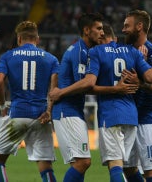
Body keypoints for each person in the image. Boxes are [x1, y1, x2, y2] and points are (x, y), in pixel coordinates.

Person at [49, 25, 152, 182]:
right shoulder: (132, 51)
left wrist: (61, 92)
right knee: (129, 166)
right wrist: (139, 77)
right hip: (131, 116)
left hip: (110, 114)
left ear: (100, 38)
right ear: (115, 38)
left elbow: (89, 83)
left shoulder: (96, 51)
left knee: (115, 165)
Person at [0, 21, 59, 182]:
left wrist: (2, 106)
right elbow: (54, 90)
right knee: (45, 166)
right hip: (41, 116)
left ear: (19, 38)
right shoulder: (51, 59)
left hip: (18, 115)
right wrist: (49, 111)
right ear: (37, 38)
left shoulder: (8, 56)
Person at [51, 12, 104, 182]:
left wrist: (57, 92)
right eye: (99, 28)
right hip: (67, 111)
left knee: (78, 163)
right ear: (87, 30)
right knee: (84, 162)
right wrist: (115, 89)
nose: (102, 32)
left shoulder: (84, 49)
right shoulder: (80, 51)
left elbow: (57, 76)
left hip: (69, 110)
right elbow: (85, 84)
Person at [121, 9, 152, 182]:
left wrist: (140, 82)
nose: (123, 29)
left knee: (150, 170)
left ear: (139, 26)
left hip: (148, 119)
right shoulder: (125, 51)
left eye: (127, 26)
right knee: (128, 168)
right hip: (130, 117)